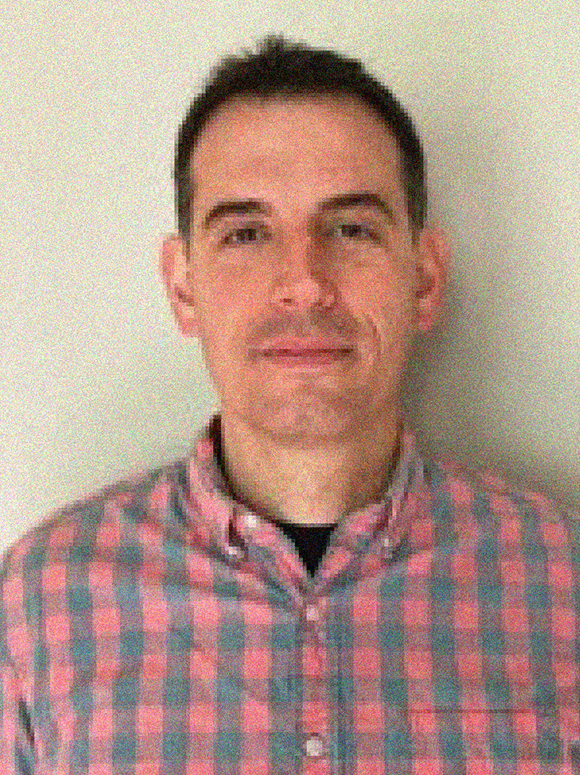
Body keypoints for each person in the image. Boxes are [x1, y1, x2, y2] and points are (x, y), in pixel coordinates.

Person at [1, 35, 578, 775]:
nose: (303, 282)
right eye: (246, 233)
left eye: (350, 228)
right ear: (182, 287)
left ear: (424, 278)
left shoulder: (563, 588)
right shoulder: (39, 609)